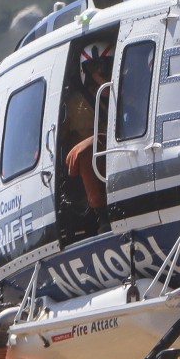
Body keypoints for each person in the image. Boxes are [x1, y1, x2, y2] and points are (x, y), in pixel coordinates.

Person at [63, 42, 112, 235]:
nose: (100, 73)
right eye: (94, 68)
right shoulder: (74, 103)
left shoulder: (128, 90)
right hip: (95, 165)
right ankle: (103, 215)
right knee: (86, 149)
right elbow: (60, 141)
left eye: (104, 66)